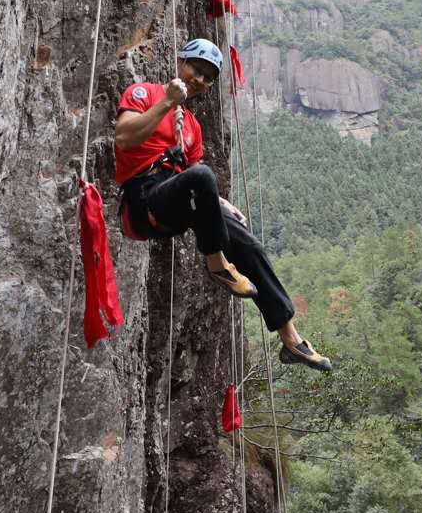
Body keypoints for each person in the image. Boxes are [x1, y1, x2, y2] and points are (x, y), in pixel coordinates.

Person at [114, 38, 332, 372]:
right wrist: (167, 104)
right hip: (143, 199)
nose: (199, 79)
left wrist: (222, 205)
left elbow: (192, 180)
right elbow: (124, 138)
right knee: (202, 176)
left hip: (172, 201)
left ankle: (290, 338)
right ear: (180, 62)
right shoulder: (145, 94)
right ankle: (217, 265)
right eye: (195, 69)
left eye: (207, 76)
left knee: (246, 241)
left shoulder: (192, 127)